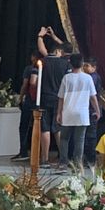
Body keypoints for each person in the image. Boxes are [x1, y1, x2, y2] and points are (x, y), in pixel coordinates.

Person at [56, 53, 98, 174]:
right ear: (82, 64)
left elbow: (61, 97)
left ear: (70, 63)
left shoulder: (66, 78)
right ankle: (77, 164)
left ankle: (63, 163)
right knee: (80, 139)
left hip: (68, 112)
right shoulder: (88, 78)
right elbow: (93, 97)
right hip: (82, 113)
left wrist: (59, 112)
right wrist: (97, 110)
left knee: (64, 139)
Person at [35, 28, 72, 163]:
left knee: (45, 129)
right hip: (59, 99)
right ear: (58, 51)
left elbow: (41, 49)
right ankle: (63, 158)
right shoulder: (65, 63)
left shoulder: (44, 61)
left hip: (44, 97)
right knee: (57, 129)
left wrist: (40, 36)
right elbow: (68, 50)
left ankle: (44, 158)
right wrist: (55, 37)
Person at [14, 60, 38, 161]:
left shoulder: (29, 69)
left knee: (24, 126)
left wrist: (20, 97)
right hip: (43, 100)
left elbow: (26, 84)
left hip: (30, 100)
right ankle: (38, 152)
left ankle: (24, 151)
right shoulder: (48, 67)